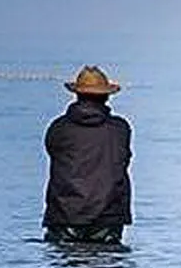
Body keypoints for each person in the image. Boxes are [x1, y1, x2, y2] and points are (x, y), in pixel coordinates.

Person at [42, 65, 133, 244]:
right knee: (109, 267)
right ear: (107, 96)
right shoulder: (119, 129)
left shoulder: (59, 128)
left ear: (76, 94)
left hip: (64, 215)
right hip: (108, 217)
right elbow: (123, 160)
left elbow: (52, 152)